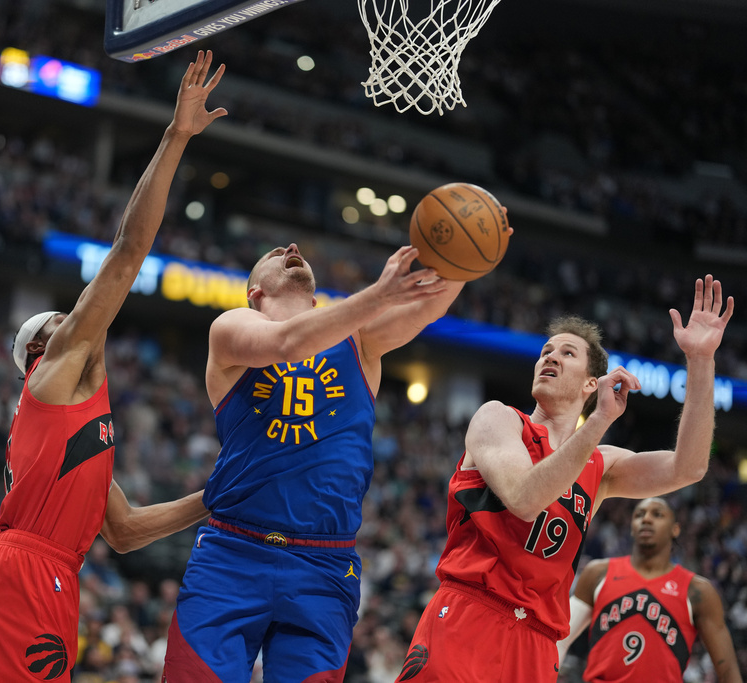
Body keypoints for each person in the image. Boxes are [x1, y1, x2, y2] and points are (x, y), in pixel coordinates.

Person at [0, 50, 227, 683]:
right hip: (30, 570)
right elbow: (129, 250)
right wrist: (175, 137)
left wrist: (220, 496)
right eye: (60, 319)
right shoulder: (56, 372)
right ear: (38, 350)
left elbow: (127, 530)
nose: (77, 319)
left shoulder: (75, 431)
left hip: (52, 571)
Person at [163, 236, 478, 682]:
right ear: (255, 292)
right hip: (233, 554)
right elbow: (287, 344)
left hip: (324, 563)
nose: (288, 246)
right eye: (271, 252)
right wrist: (378, 295)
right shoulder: (233, 327)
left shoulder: (360, 339)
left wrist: (470, 250)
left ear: (315, 299)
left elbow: (430, 305)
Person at [396, 275, 734, 683]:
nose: (549, 358)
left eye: (567, 353)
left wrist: (700, 362)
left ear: (592, 383)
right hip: (471, 615)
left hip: (537, 644)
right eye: (546, 351)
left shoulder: (601, 467)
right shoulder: (499, 419)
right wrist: (599, 421)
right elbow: (524, 497)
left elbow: (690, 467)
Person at [558, 497, 742, 683]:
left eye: (658, 514)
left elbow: (728, 671)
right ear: (631, 527)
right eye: (639, 515)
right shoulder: (597, 573)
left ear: (675, 529)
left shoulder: (698, 591)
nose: (646, 519)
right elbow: (559, 639)